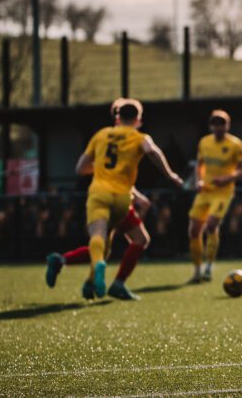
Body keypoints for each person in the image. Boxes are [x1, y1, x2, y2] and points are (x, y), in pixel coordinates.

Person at [75, 99, 183, 298]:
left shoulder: (100, 135)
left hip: (99, 194)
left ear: (117, 117)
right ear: (138, 119)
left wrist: (98, 168)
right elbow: (152, 151)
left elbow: (80, 168)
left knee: (99, 238)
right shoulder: (138, 137)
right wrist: (170, 175)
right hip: (122, 198)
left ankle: (94, 271)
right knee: (138, 239)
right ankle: (105, 283)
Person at [45, 188, 152, 301]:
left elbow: (84, 170)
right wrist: (138, 196)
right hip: (118, 200)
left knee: (101, 249)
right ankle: (116, 283)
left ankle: (62, 261)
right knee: (141, 239)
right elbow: (122, 176)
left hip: (98, 200)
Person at [188, 109, 242, 284]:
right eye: (215, 125)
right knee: (193, 230)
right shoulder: (204, 142)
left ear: (227, 126)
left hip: (223, 193)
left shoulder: (235, 145)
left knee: (212, 225)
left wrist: (227, 178)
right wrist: (199, 181)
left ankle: (209, 265)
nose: (218, 128)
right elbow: (199, 165)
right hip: (205, 191)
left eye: (221, 125)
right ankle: (197, 269)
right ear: (211, 126)